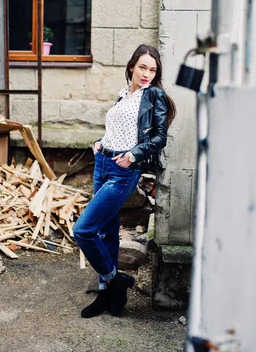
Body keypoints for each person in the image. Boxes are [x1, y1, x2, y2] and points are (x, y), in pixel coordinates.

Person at [73, 44, 176, 318]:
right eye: (142, 67)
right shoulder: (123, 95)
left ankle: (115, 278)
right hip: (103, 163)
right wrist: (99, 143)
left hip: (123, 169)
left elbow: (159, 138)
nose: (147, 74)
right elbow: (118, 130)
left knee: (83, 230)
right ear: (131, 67)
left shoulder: (153, 95)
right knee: (107, 232)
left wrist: (132, 155)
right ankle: (110, 296)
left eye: (152, 69)